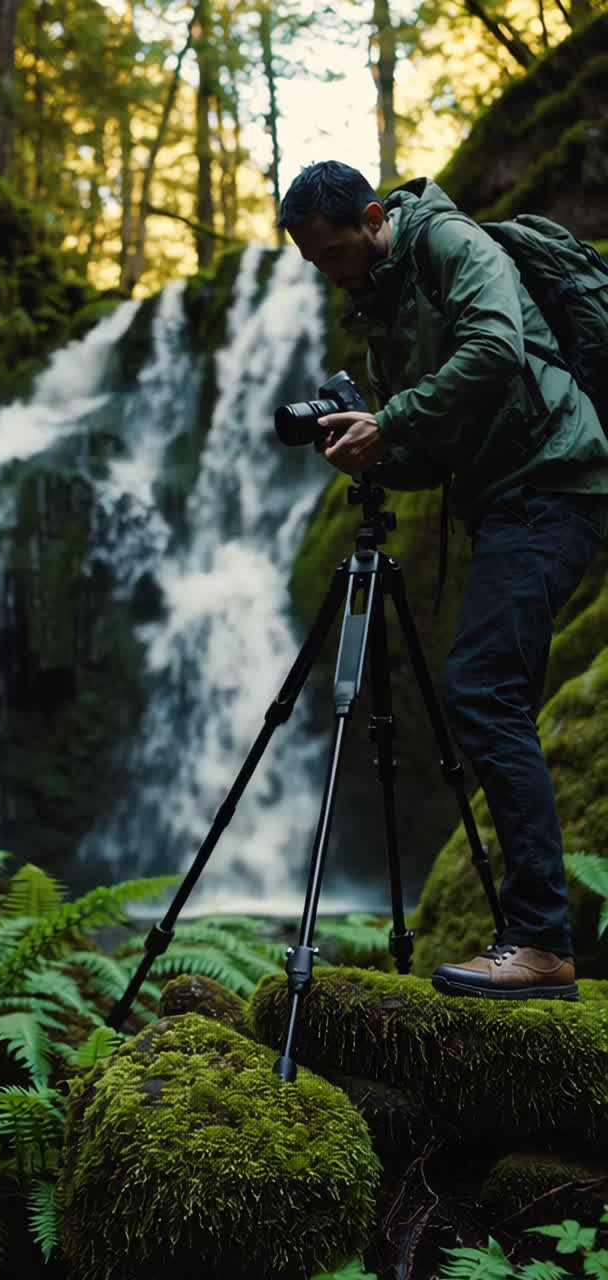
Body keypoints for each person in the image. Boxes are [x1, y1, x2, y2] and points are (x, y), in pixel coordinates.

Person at [278, 160, 608, 1001]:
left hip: (555, 483)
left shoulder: (449, 241)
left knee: (481, 690)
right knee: (495, 696)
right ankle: (535, 938)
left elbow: (496, 351)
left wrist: (388, 421)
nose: (330, 271)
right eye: (314, 262)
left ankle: (540, 941)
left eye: (335, 249)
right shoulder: (384, 310)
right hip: (509, 499)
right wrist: (375, 443)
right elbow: (435, 446)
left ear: (373, 216)